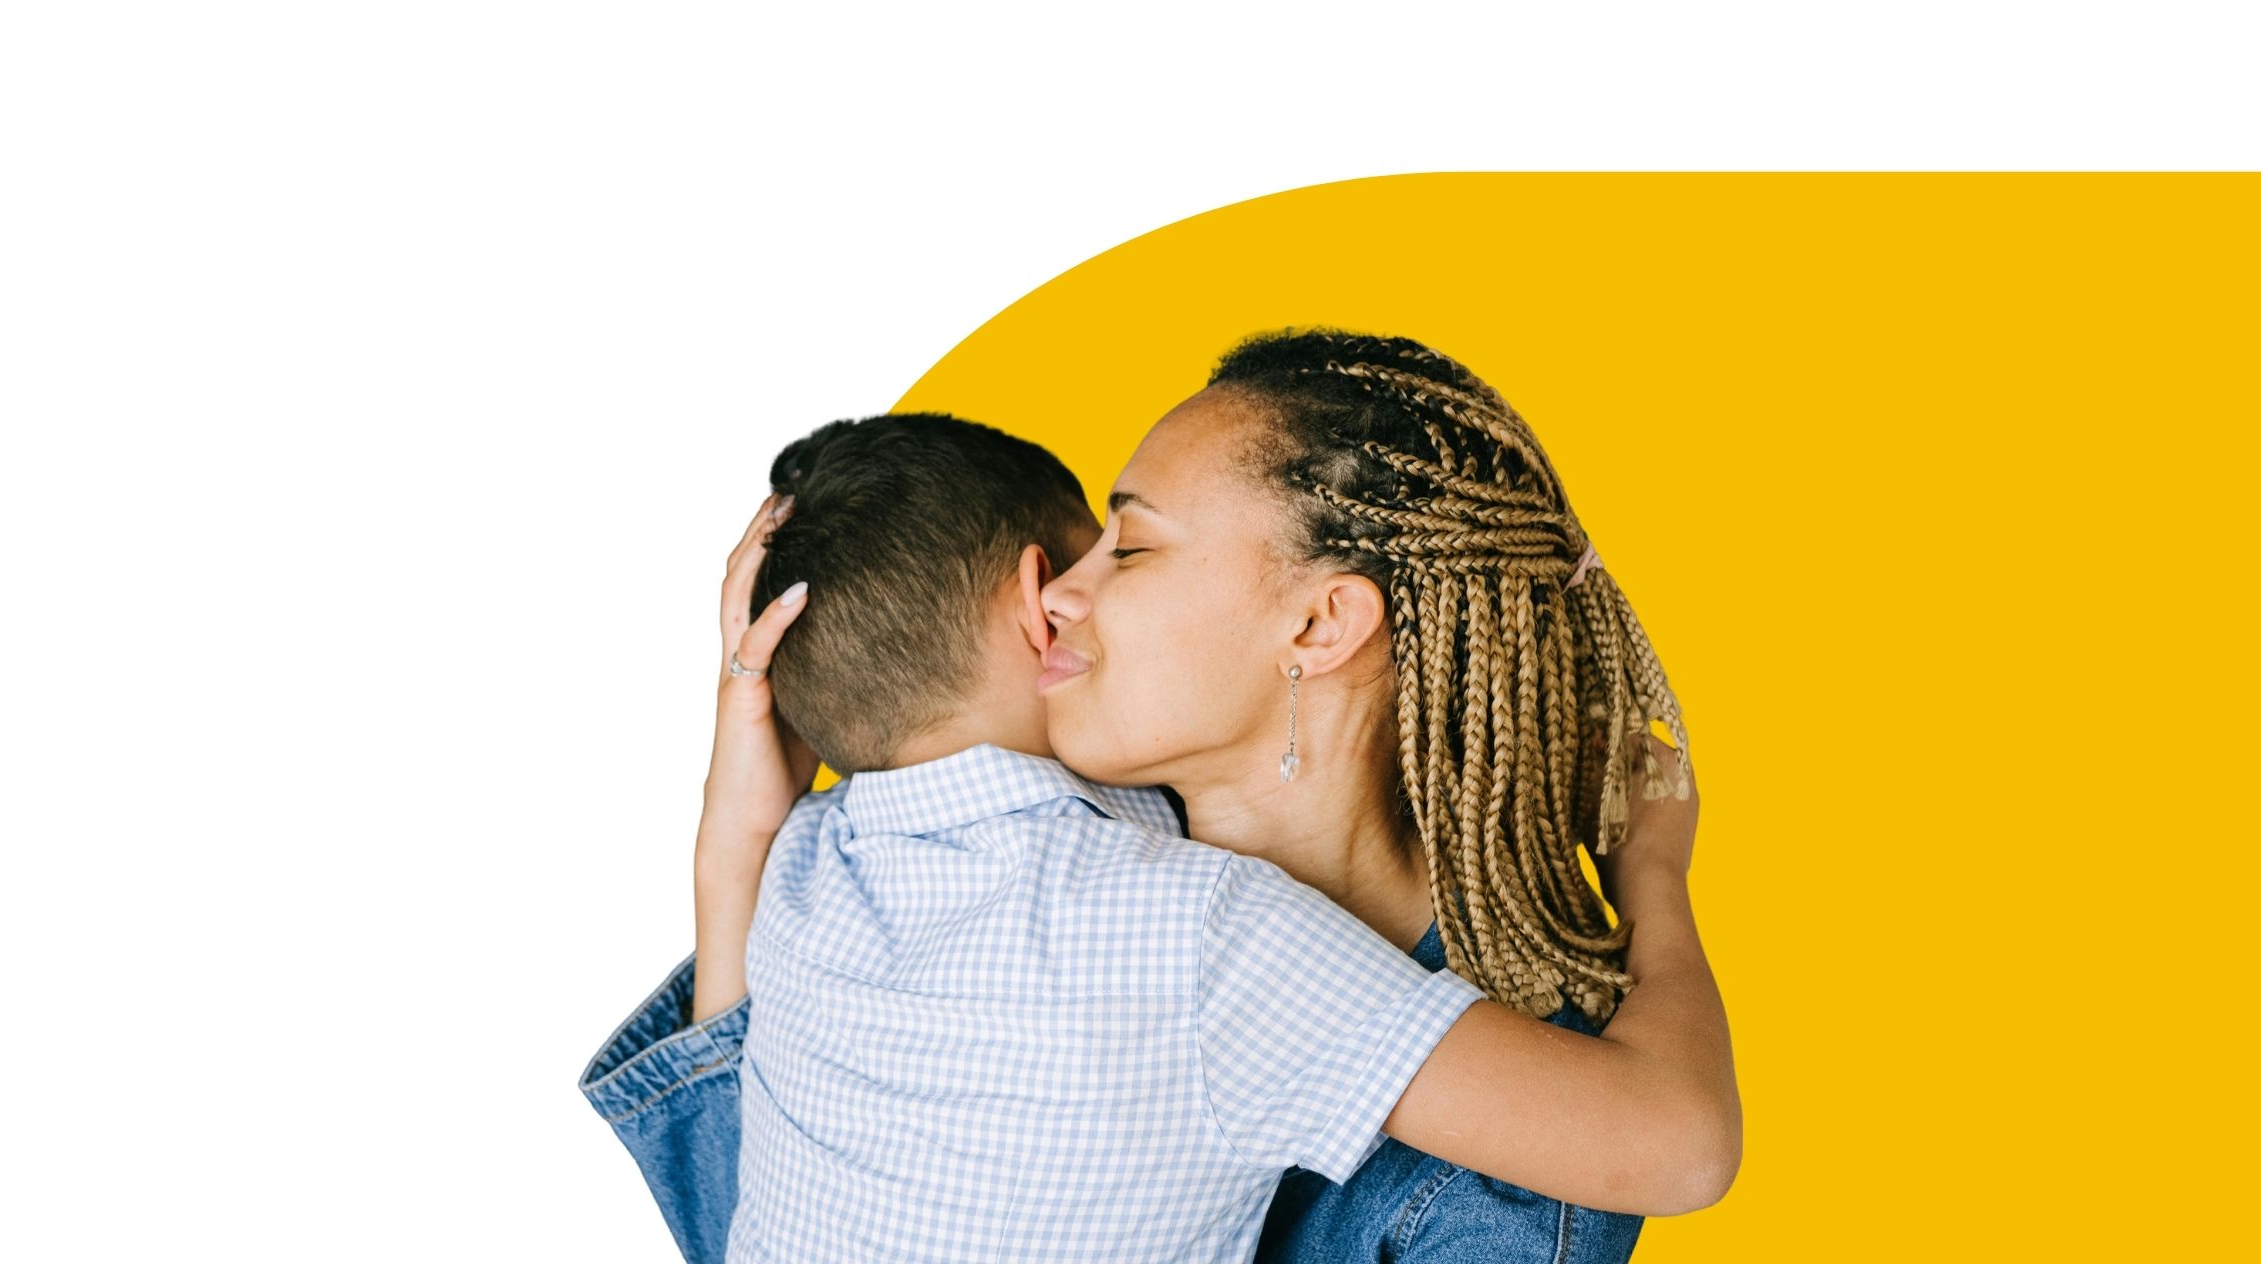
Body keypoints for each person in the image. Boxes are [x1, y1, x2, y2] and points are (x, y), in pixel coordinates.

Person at [584, 329, 1741, 1262]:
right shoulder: (995, 904)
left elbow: (1678, 1148)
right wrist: (737, 836)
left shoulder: (1492, 1162)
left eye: (1126, 552)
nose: (1057, 599)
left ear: (1317, 623)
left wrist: (1648, 873)